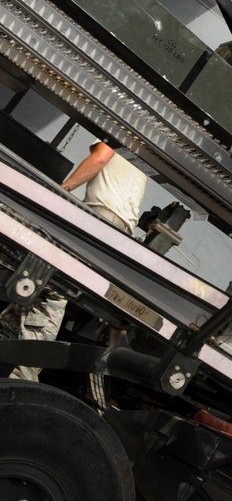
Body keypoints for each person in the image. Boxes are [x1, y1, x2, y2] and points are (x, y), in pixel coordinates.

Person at [1, 140, 147, 381]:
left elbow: (100, 157)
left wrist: (63, 189)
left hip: (100, 221)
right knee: (42, 284)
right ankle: (13, 346)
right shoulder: (138, 157)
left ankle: (24, 374)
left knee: (49, 285)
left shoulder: (120, 137)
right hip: (112, 229)